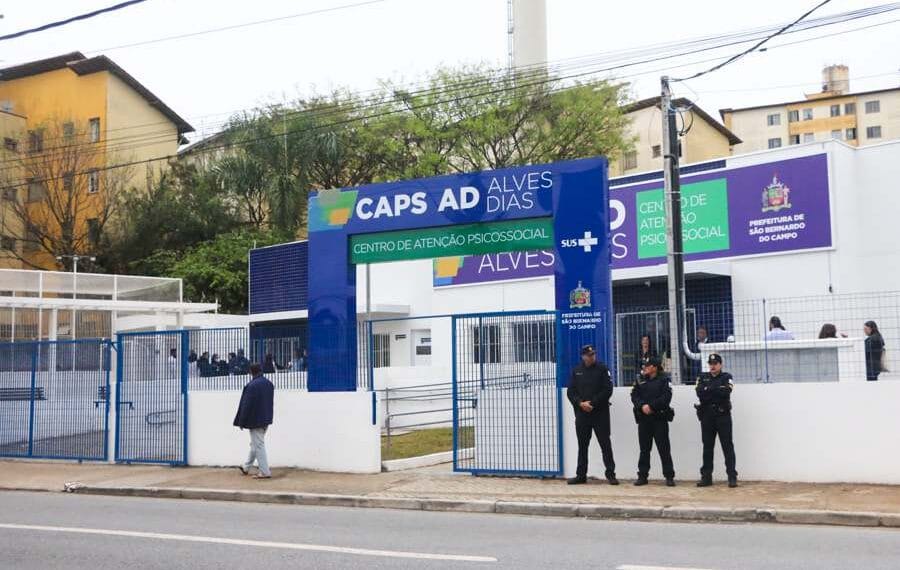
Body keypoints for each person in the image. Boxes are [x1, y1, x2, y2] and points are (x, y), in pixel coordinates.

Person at [566, 344, 618, 486]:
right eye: (589, 355)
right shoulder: (577, 371)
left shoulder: (602, 369)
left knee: (605, 444)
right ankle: (581, 475)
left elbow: (608, 390)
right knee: (582, 446)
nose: (592, 357)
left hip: (599, 413)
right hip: (582, 414)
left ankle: (611, 474)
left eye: (593, 354)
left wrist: (593, 403)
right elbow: (571, 391)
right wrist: (580, 403)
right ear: (583, 356)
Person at [630, 357, 676, 487]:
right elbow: (634, 396)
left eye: (648, 365)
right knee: (644, 449)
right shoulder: (640, 380)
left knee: (664, 449)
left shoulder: (664, 380)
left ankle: (669, 476)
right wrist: (642, 406)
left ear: (655, 367)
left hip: (659, 419)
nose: (645, 367)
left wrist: (651, 406)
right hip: (644, 420)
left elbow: (666, 398)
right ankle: (642, 476)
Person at [695, 353, 738, 488]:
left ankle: (732, 476)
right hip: (707, 416)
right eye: (710, 364)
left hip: (722, 415)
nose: (712, 366)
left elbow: (726, 392)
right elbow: (700, 393)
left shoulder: (727, 377)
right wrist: (715, 390)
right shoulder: (702, 377)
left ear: (720, 365)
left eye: (715, 364)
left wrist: (709, 390)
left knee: (727, 446)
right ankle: (706, 477)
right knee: (707, 447)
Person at [234, 363, 275, 479]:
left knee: (258, 445)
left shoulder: (251, 386)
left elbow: (246, 405)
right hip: (266, 419)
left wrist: (241, 421)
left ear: (251, 372)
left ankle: (265, 471)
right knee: (255, 444)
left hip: (255, 420)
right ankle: (246, 466)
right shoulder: (269, 384)